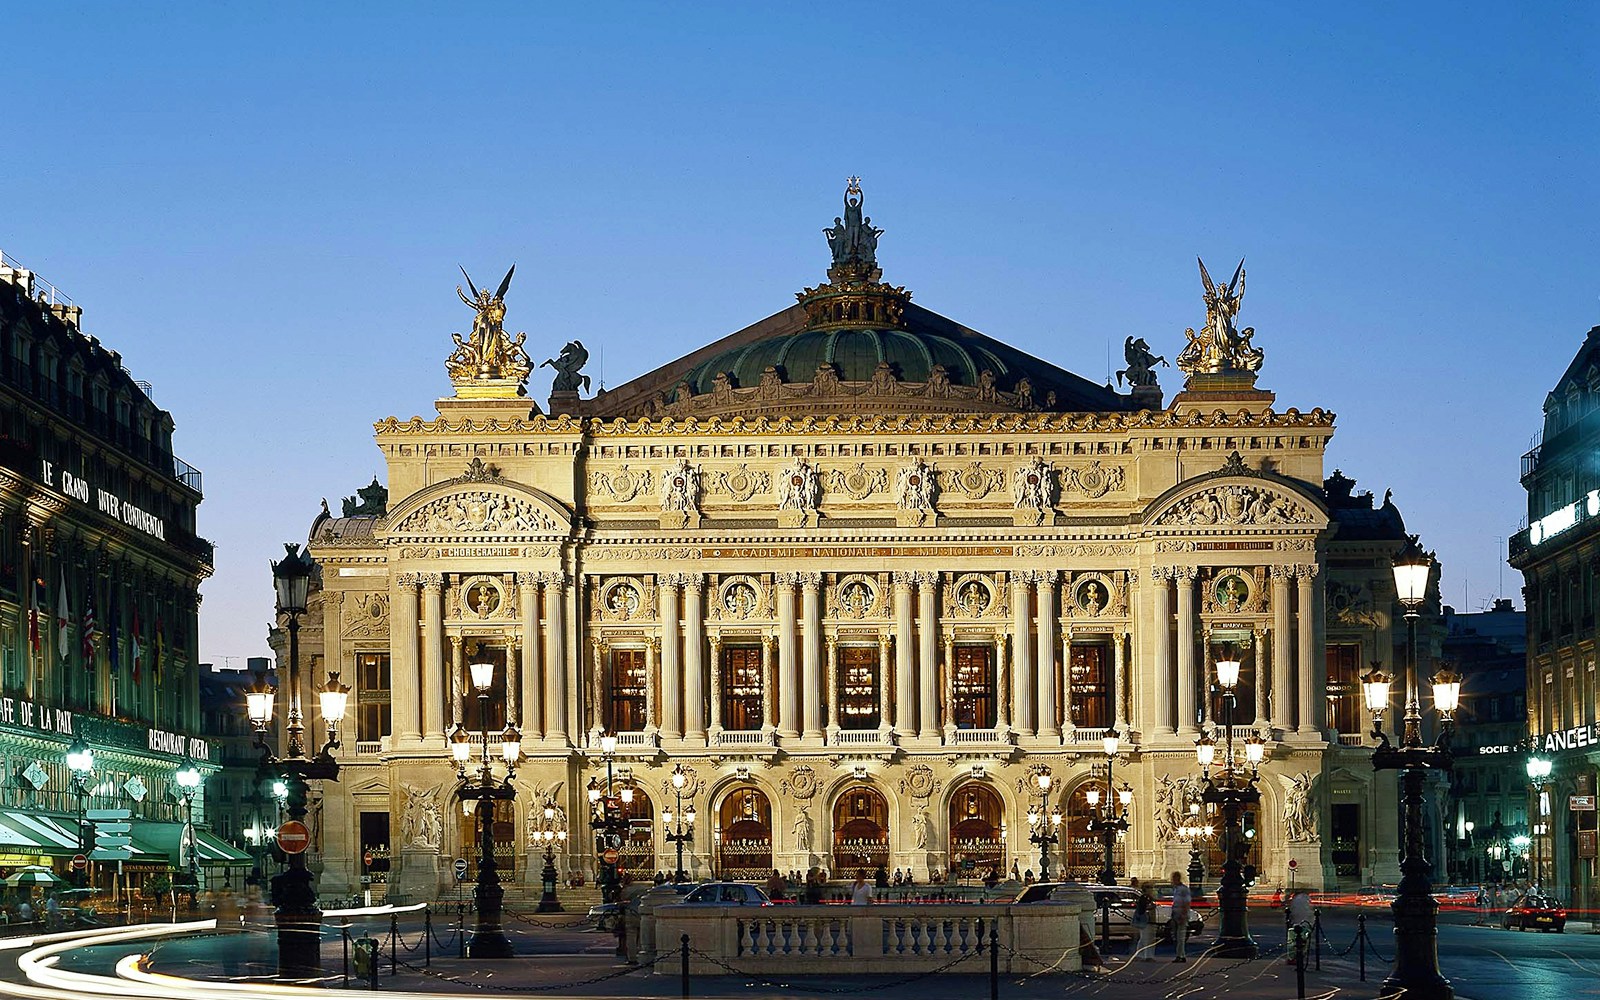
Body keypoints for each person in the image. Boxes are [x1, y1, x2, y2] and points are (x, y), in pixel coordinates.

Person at [1130, 877, 1156, 961]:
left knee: (1144, 938)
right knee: (1147, 939)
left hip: (1149, 920)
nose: (1151, 889)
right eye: (1149, 887)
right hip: (1146, 920)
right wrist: (1150, 907)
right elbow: (1142, 909)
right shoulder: (1144, 898)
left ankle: (1140, 954)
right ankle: (1148, 956)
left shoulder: (1149, 897)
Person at [1169, 871, 1192, 963]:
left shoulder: (1183, 889)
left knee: (1180, 937)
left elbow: (1186, 902)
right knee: (1177, 937)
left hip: (1181, 915)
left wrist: (1184, 914)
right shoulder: (1176, 889)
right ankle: (1180, 955)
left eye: (1174, 878)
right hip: (1176, 914)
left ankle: (1181, 956)